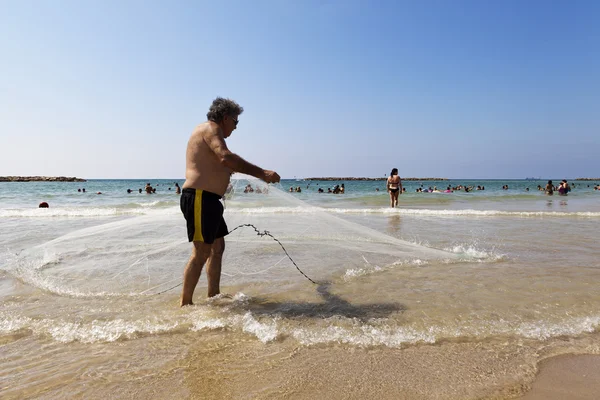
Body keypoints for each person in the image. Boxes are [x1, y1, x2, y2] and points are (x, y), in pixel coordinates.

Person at [180, 97, 280, 306]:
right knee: (202, 252)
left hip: (210, 200)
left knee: (218, 248)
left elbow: (220, 163)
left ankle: (213, 295)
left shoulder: (208, 132)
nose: (235, 128)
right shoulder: (211, 129)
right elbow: (225, 157)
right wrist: (262, 173)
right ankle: (185, 304)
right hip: (199, 198)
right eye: (235, 122)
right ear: (226, 118)